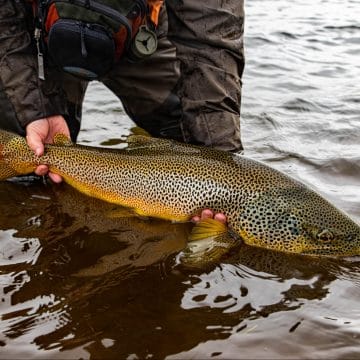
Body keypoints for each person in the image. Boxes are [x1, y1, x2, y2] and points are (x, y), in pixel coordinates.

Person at [0, 0, 245, 222]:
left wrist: (223, 170)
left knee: (194, 137)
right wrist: (36, 106)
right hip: (34, 31)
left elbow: (211, 34)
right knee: (26, 158)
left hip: (140, 34)